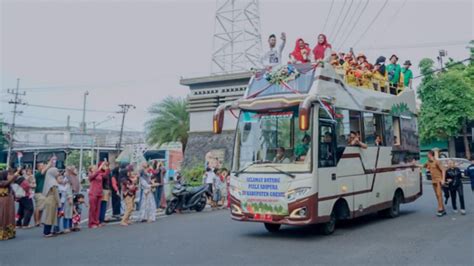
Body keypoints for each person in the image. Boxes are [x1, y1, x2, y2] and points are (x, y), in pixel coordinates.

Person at [423, 150, 446, 217]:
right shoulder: (428, 162)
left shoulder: (437, 161)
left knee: (439, 194)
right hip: (433, 181)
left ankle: (440, 209)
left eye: (427, 155)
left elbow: (443, 170)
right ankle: (443, 209)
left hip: (439, 180)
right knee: (437, 195)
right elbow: (423, 166)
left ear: (430, 155)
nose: (427, 156)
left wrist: (443, 180)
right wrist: (414, 164)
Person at [88, 162, 109, 229]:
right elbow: (94, 175)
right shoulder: (91, 175)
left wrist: (106, 168)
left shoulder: (99, 174)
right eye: (94, 168)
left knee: (98, 209)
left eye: (96, 167)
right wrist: (100, 167)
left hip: (99, 193)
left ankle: (97, 222)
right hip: (93, 193)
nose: (96, 168)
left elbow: (105, 175)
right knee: (93, 209)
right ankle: (91, 223)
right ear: (91, 169)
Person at [0, 168, 20, 240]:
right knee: (3, 217)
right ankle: (3, 233)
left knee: (9, 217)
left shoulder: (9, 184)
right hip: (3, 203)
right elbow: (7, 182)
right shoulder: (2, 182)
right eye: (8, 174)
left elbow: (12, 188)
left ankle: (9, 233)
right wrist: (14, 175)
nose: (9, 175)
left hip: (9, 203)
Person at [42, 167, 61, 237]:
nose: (58, 173)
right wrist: (59, 203)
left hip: (49, 199)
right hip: (52, 200)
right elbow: (56, 193)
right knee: (50, 216)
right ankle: (47, 232)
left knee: (49, 216)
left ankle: (47, 231)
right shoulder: (53, 182)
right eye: (56, 171)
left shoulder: (49, 180)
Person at [33, 161, 51, 227]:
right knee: (38, 207)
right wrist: (50, 162)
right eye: (42, 166)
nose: (43, 166)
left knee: (41, 207)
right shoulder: (38, 173)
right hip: (39, 192)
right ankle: (37, 221)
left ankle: (39, 221)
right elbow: (45, 169)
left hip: (42, 192)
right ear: (38, 167)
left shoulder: (43, 174)